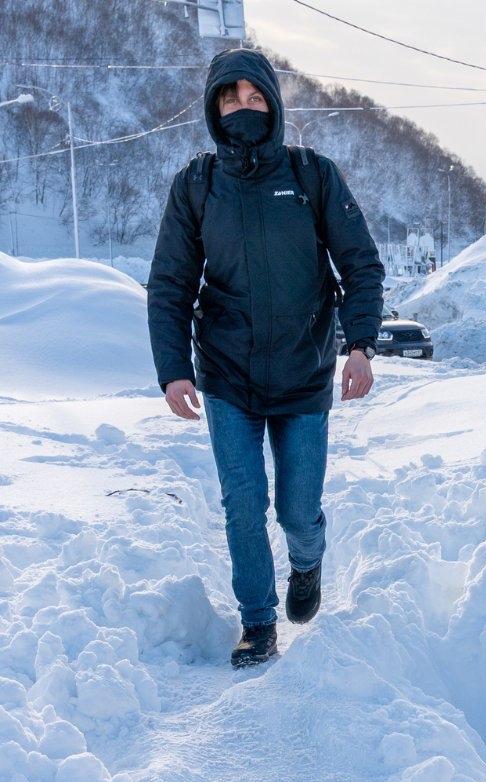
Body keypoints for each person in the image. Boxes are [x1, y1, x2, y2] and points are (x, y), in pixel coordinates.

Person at [147, 49, 385, 668]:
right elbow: (170, 283)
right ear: (214, 107)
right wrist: (173, 368)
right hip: (227, 374)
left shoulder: (313, 175)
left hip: (304, 373)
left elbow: (360, 266)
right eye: (231, 99)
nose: (243, 109)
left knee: (297, 509)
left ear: (274, 105)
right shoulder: (196, 185)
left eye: (256, 98)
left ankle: (307, 563)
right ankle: (258, 624)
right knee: (243, 504)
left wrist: (359, 345)